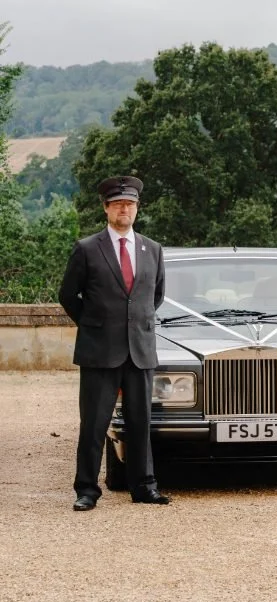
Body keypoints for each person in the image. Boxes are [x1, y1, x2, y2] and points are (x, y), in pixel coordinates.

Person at [58, 176, 171, 511]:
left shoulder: (152, 249)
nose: (125, 208)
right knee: (93, 424)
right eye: (119, 203)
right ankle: (87, 490)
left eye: (130, 204)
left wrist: (132, 325)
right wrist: (93, 325)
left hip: (140, 350)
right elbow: (68, 295)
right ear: (106, 207)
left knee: (140, 423)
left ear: (137, 208)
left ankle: (143, 487)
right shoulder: (87, 248)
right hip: (99, 351)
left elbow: (155, 296)